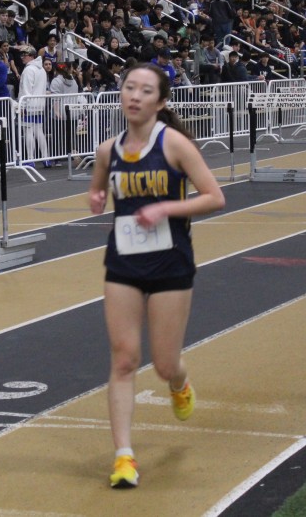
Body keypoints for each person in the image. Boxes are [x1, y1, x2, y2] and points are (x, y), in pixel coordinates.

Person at [89, 63, 225, 490]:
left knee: (164, 365)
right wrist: (96, 196)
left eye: (145, 90)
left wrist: (166, 208)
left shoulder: (175, 145)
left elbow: (214, 197)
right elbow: (98, 186)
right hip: (123, 263)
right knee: (124, 358)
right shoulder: (107, 150)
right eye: (129, 87)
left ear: (161, 101)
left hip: (170, 263)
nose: (135, 96)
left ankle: (179, 383)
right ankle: (123, 457)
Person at [16, 45, 51, 168]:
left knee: (28, 131)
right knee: (39, 131)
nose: (22, 57)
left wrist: (22, 106)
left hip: (29, 105)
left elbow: (26, 90)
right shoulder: (41, 69)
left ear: (31, 56)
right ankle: (46, 158)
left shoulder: (28, 70)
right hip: (39, 104)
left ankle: (31, 159)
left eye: (24, 55)